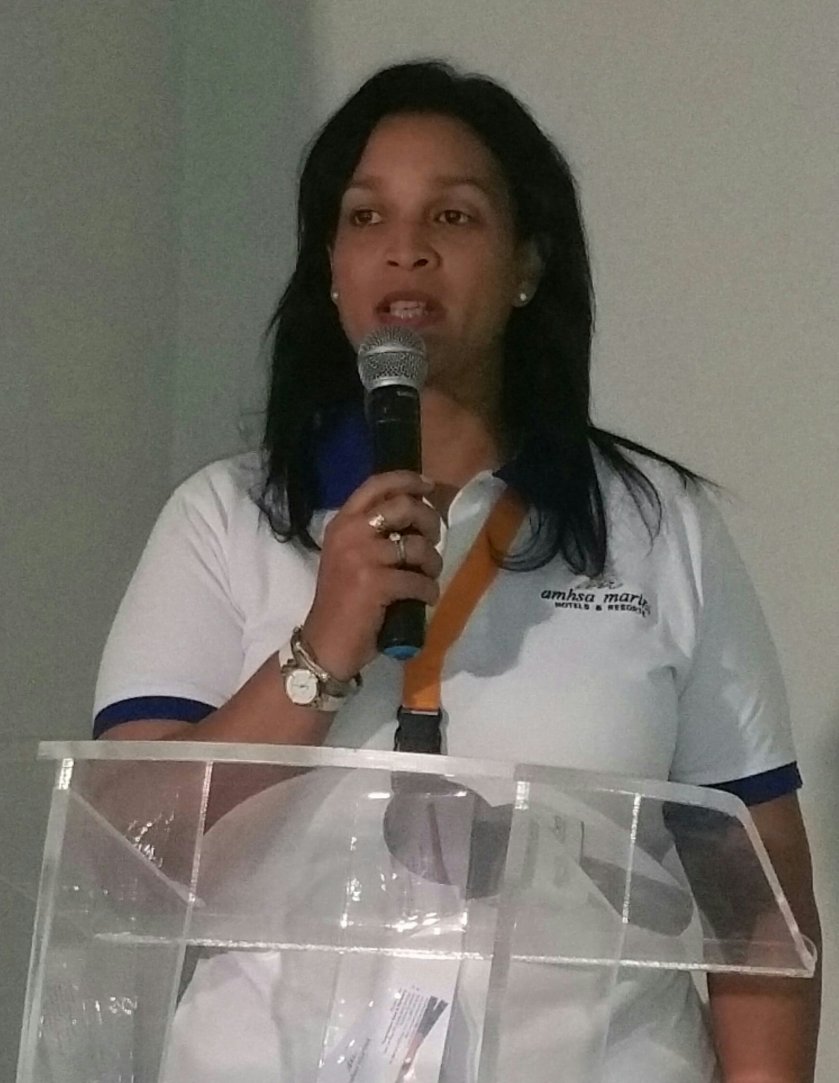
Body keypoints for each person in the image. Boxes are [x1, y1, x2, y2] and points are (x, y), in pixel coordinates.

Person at [94, 61, 820, 1081]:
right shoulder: (223, 521)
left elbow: (754, 907)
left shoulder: (657, 529)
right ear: (331, 268)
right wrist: (319, 653)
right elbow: (126, 856)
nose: (407, 248)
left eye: (453, 215)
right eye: (365, 216)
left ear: (527, 264)